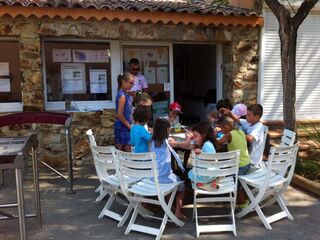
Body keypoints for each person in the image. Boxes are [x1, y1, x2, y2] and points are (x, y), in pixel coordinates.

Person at [151, 118, 186, 219]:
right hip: (166, 179)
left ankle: (169, 207)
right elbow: (185, 145)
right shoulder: (168, 142)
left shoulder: (152, 142)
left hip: (153, 178)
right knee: (182, 186)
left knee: (168, 178)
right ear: (167, 130)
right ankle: (177, 212)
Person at [215, 116, 251, 207]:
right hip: (247, 163)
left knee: (237, 186)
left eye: (221, 129)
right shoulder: (241, 132)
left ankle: (243, 205)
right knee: (242, 184)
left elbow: (218, 143)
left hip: (239, 165)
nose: (221, 131)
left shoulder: (228, 135)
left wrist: (214, 135)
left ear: (226, 127)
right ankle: (245, 200)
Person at [114, 72, 135, 152]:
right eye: (131, 83)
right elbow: (119, 115)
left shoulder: (125, 93)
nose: (132, 85)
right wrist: (130, 127)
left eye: (133, 83)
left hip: (126, 125)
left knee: (125, 151)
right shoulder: (122, 96)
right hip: (123, 127)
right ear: (123, 82)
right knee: (125, 152)